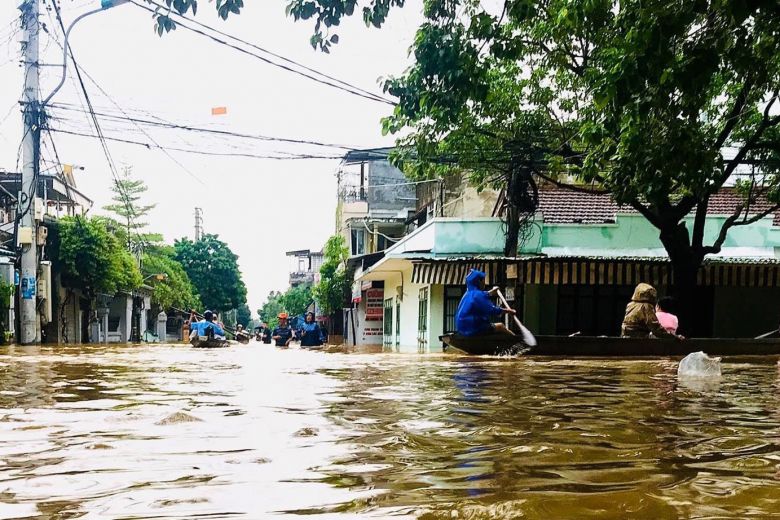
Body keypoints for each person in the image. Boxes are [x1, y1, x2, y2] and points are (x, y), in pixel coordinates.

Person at [455, 269, 516, 337]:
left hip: (462, 328)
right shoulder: (478, 295)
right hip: (472, 329)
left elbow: (482, 295)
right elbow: (492, 310)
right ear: (479, 281)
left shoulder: (468, 293)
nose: (485, 283)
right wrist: (509, 311)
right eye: (484, 280)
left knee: (493, 326)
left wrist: (492, 291)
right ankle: (516, 341)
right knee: (500, 326)